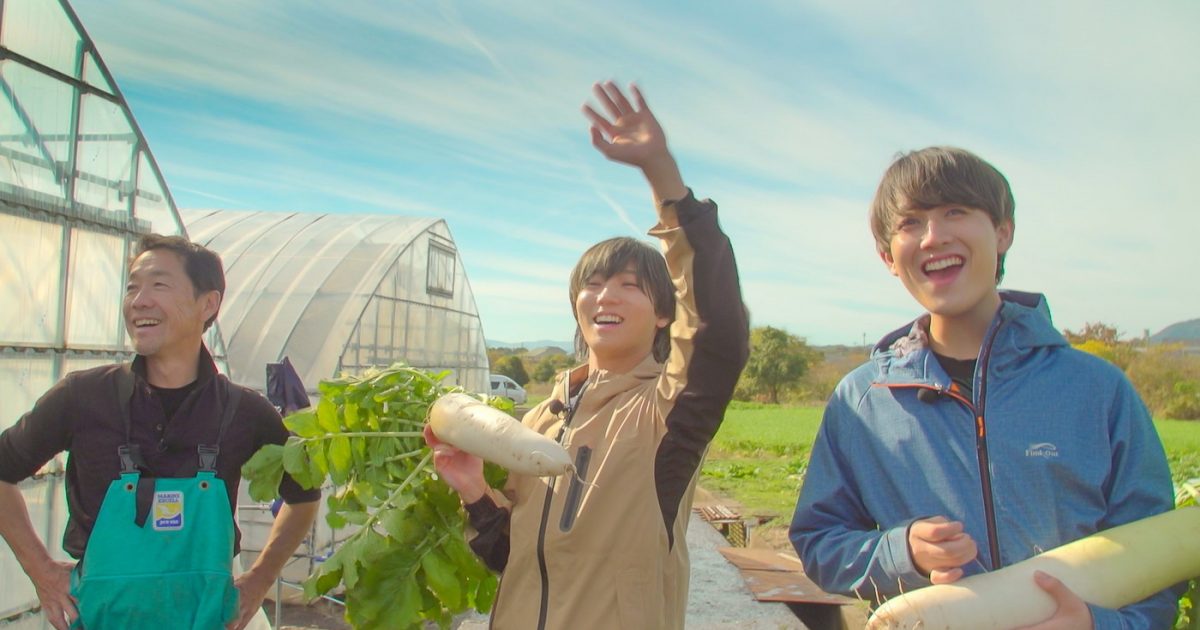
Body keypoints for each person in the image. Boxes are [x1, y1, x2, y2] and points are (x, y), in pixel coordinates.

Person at [789, 146, 1179, 628]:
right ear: (888, 256)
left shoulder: (1098, 390)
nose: (934, 236)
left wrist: (1102, 625)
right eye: (911, 222)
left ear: (1003, 232)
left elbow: (1160, 563)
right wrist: (901, 551)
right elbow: (819, 543)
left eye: (956, 211)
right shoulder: (863, 401)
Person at [424, 81, 749, 629]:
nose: (605, 297)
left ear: (664, 314)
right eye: (593, 285)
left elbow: (718, 330)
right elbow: (514, 560)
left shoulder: (665, 415)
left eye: (629, 286)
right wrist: (474, 488)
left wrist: (661, 174)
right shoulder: (537, 422)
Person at [0, 235, 321, 630]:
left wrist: (259, 580)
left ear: (208, 304)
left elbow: (304, 496)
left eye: (158, 285)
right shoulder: (82, 397)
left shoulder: (244, 412)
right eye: (132, 287)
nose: (139, 301)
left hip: (206, 620)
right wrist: (40, 570)